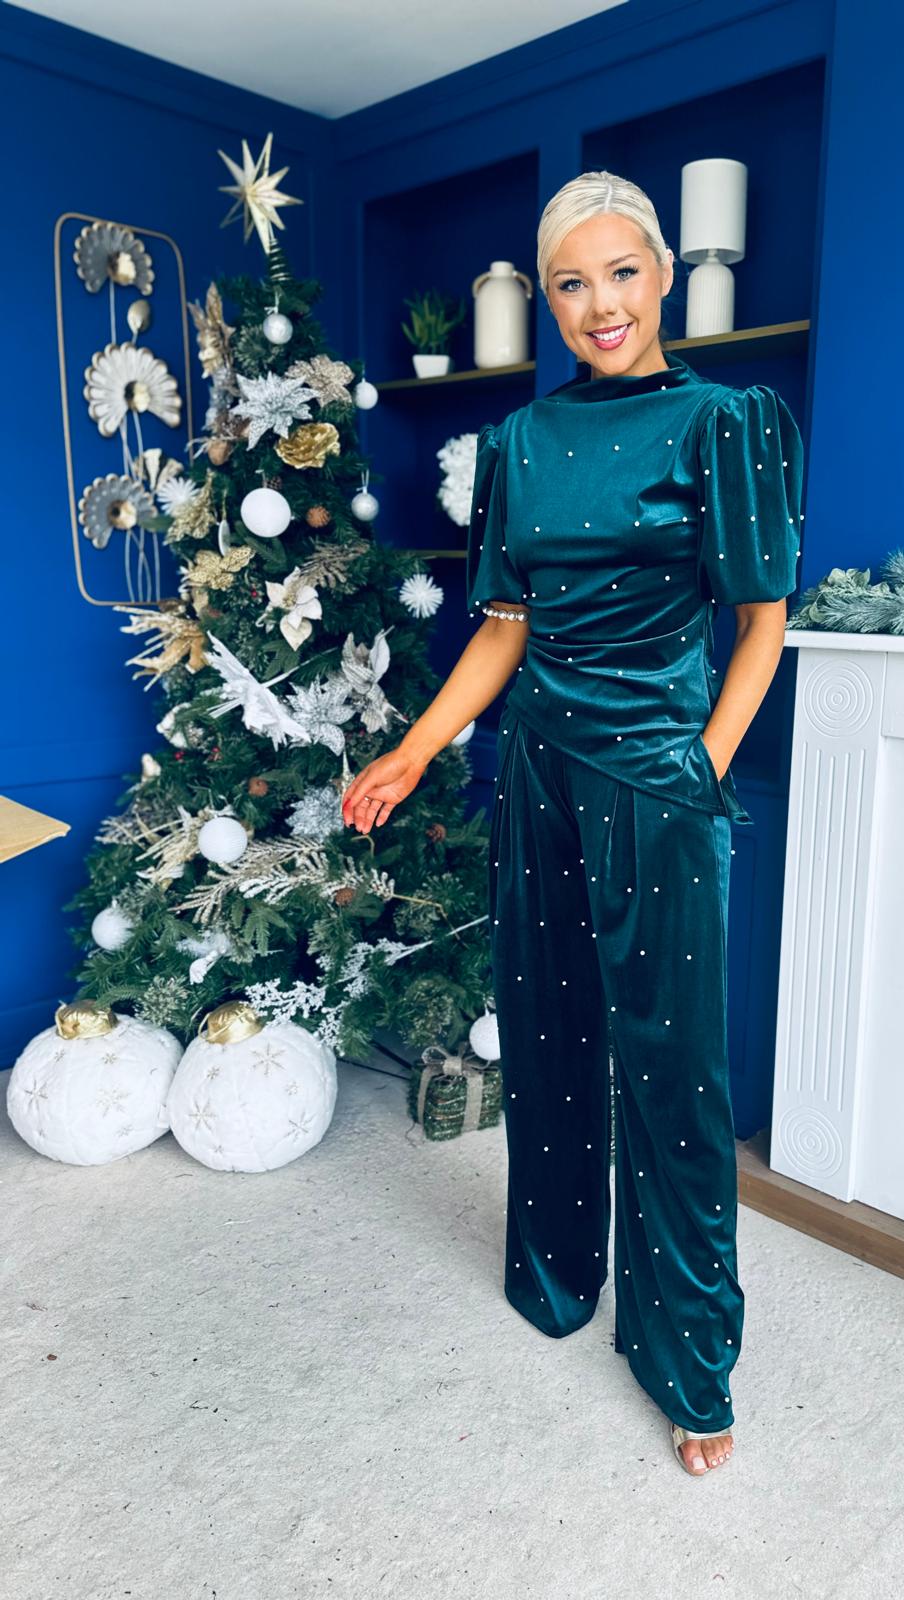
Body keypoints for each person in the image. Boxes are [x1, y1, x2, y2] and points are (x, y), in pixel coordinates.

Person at [342, 169, 804, 1478]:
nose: (600, 303)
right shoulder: (520, 443)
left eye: (620, 273)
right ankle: (555, 1273)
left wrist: (703, 765)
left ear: (661, 277)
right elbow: (507, 628)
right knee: (545, 1030)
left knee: (675, 1071)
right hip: (538, 768)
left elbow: (763, 624)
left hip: (656, 775)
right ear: (548, 303)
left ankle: (690, 1360)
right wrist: (415, 747)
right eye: (570, 283)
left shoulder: (724, 422)